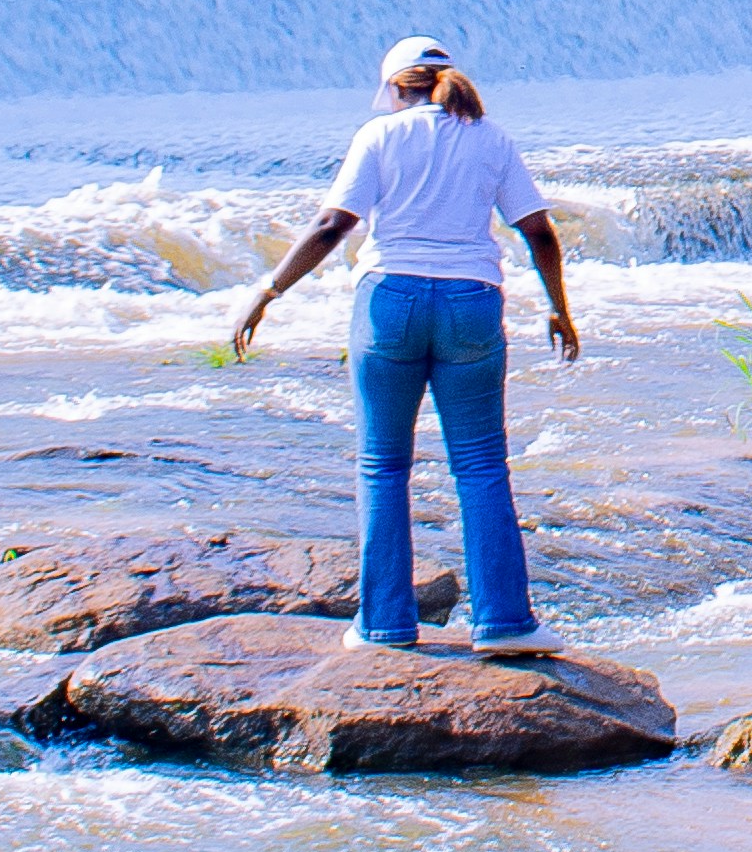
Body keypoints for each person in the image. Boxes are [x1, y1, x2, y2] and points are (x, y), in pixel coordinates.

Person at [223, 37, 583, 654]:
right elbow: (539, 230)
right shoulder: (490, 138)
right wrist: (558, 308)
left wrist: (268, 290)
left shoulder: (379, 136)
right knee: (480, 466)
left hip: (390, 301)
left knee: (382, 466)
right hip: (471, 303)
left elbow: (335, 225)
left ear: (396, 88)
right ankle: (505, 624)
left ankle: (384, 626)